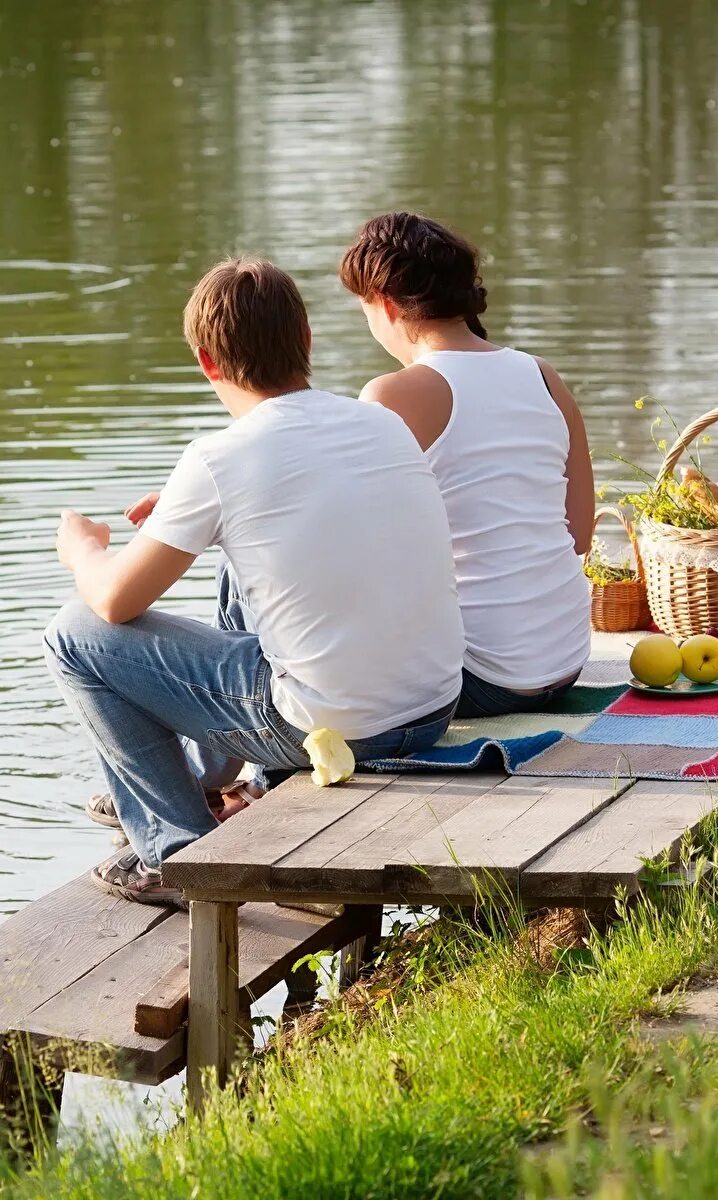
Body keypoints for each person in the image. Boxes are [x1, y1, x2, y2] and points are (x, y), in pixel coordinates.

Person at [43, 256, 466, 907]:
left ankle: (175, 853)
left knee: (71, 634)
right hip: (431, 710)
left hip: (336, 729)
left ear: (207, 364)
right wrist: (198, 515)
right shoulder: (381, 422)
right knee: (238, 556)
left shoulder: (218, 457)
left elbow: (111, 600)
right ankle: (209, 780)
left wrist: (83, 549)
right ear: (306, 341)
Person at [340, 212, 594, 719]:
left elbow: (349, 550)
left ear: (385, 305)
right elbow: (580, 535)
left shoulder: (391, 395)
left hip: (476, 677)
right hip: (565, 662)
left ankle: (257, 777)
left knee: (251, 568)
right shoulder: (541, 375)